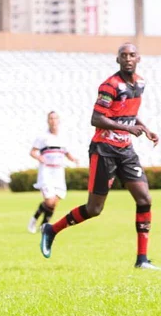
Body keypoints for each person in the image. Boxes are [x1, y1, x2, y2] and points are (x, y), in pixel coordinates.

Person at [40, 43, 159, 269]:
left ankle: (142, 260)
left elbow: (130, 113)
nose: (128, 59)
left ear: (139, 59)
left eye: (132, 55)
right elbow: (96, 119)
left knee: (145, 199)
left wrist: (145, 128)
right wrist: (127, 129)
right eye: (123, 56)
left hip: (126, 151)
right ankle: (51, 229)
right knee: (94, 209)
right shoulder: (110, 85)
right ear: (118, 60)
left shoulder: (140, 83)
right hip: (104, 150)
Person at [27, 111, 78, 234]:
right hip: (47, 172)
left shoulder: (63, 137)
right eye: (51, 118)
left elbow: (66, 152)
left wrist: (73, 159)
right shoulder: (42, 137)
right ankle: (34, 219)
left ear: (59, 121)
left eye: (55, 118)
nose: (53, 121)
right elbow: (33, 152)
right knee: (49, 201)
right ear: (48, 121)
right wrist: (39, 157)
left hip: (59, 172)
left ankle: (43, 226)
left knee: (54, 203)